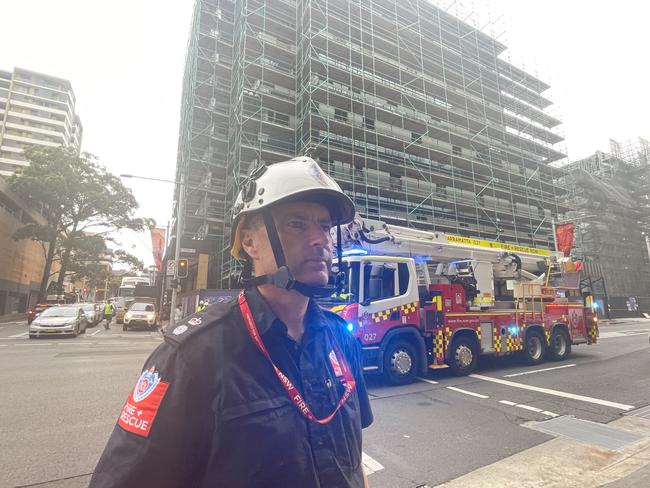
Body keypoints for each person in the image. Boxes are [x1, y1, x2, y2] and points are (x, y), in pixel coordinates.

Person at [90, 157, 373, 487]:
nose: (319, 239)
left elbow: (354, 463)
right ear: (249, 242)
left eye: (324, 226)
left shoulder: (342, 339)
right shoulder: (193, 356)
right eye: (297, 224)